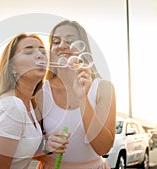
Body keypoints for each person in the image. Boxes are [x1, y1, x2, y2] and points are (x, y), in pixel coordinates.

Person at [35, 20, 117, 169]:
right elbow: (25, 145)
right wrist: (46, 146)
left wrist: (82, 97)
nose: (62, 46)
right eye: (56, 41)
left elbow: (103, 148)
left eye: (70, 40)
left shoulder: (104, 88)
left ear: (82, 47)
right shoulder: (40, 91)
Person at [0, 33, 48, 169]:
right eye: (29, 51)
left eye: (42, 51)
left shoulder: (28, 104)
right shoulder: (11, 106)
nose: (40, 55)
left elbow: (21, 152)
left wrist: (48, 146)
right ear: (12, 67)